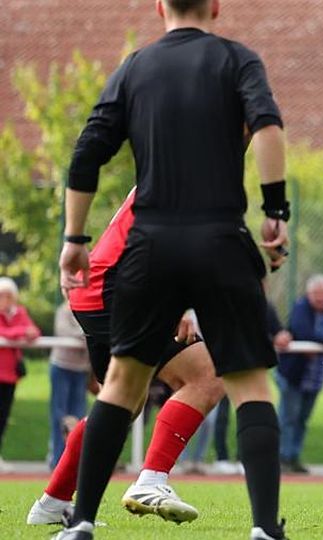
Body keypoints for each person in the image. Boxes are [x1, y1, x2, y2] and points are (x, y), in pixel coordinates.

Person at [55, 1, 289, 538]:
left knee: (121, 383)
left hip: (150, 244)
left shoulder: (135, 67)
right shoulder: (238, 60)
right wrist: (276, 213)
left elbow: (87, 152)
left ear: (159, 6)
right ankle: (263, 529)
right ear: (215, 6)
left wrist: (74, 239)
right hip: (221, 237)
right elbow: (270, 129)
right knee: (249, 383)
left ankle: (82, 520)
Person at [28, 190, 225, 527]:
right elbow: (160, 239)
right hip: (118, 290)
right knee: (206, 376)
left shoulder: (181, 157)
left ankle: (52, 503)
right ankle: (151, 481)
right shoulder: (192, 165)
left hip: (98, 289)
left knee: (123, 404)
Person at [275, 274, 323, 474]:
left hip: (315, 377)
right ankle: (282, 457)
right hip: (293, 375)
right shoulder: (301, 308)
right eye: (317, 295)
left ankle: (294, 456)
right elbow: (305, 333)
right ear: (309, 294)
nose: (321, 299)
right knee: (288, 416)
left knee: (303, 418)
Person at [0, 277, 40, 469]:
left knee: (3, 416)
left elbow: (34, 331)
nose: (5, 299)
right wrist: (20, 332)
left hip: (9, 376)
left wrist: (22, 331)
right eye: (2, 296)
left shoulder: (20, 312)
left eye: (9, 295)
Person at [48, 302, 92, 469]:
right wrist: (85, 334)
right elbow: (64, 331)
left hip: (81, 369)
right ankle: (58, 459)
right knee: (60, 415)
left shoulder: (88, 309)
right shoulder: (64, 311)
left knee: (79, 416)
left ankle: (74, 460)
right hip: (61, 366)